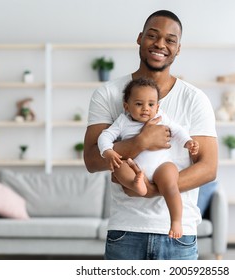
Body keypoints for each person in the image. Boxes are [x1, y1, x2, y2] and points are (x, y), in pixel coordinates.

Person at [84, 10, 218, 260]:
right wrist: (139, 142)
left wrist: (152, 189)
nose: (160, 44)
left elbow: (209, 167)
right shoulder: (108, 94)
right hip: (126, 231)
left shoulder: (195, 99)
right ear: (139, 38)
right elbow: (92, 160)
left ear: (178, 48)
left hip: (179, 234)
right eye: (153, 36)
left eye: (170, 40)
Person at [97, 77, 199, 239]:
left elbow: (177, 129)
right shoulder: (123, 121)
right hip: (133, 167)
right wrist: (108, 151)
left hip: (161, 166)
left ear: (157, 107)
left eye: (151, 104)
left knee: (171, 184)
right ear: (126, 106)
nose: (145, 109)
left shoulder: (160, 117)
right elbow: (105, 136)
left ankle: (176, 221)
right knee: (119, 166)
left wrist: (187, 142)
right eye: (138, 104)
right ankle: (136, 185)